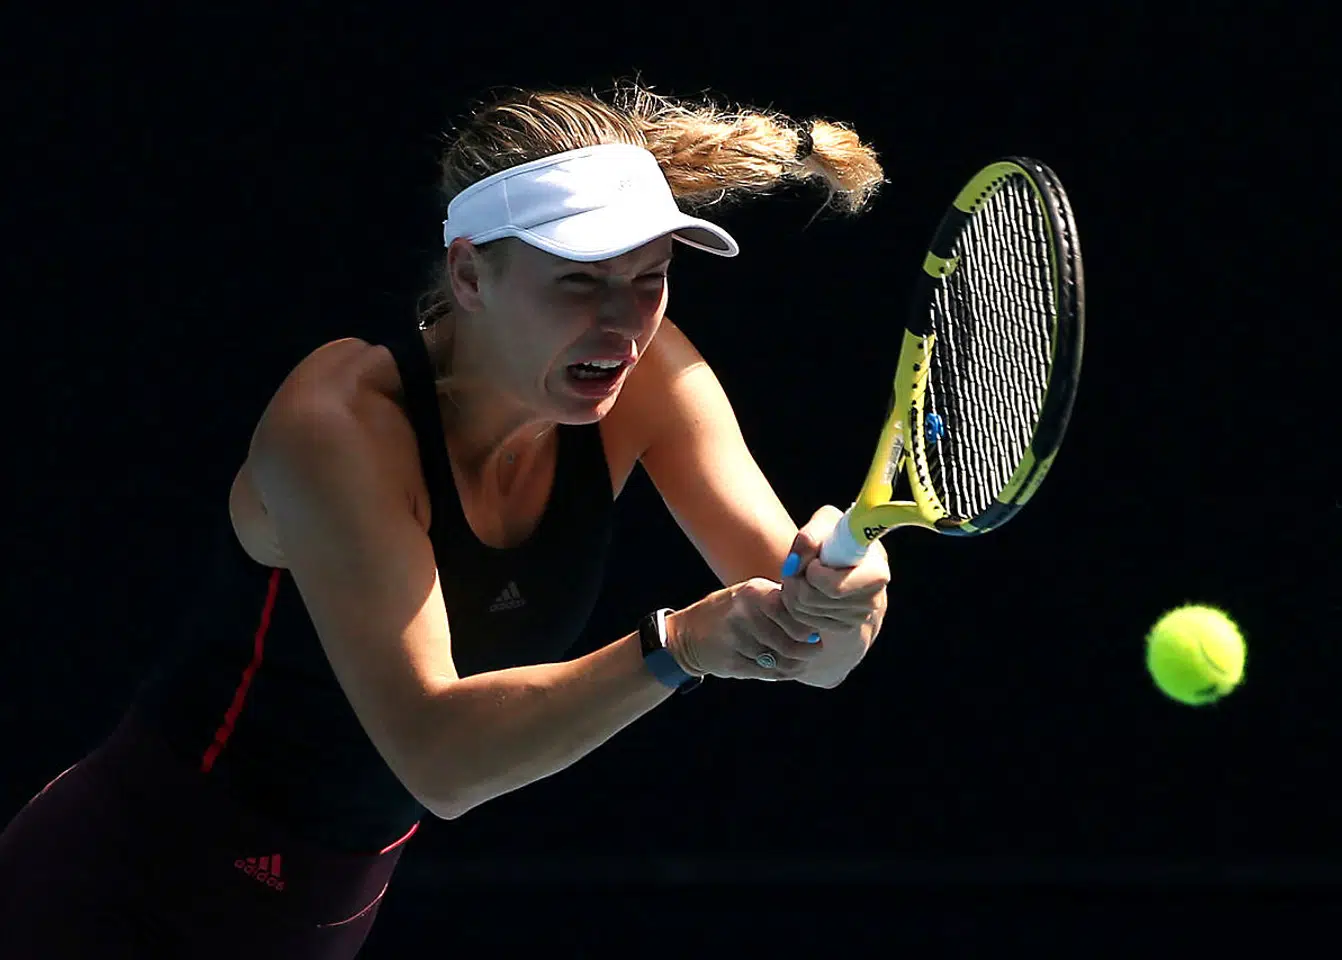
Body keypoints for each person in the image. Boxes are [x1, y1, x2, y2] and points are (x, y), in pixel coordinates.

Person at [0, 81, 892, 958]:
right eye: (579, 281)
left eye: (650, 278)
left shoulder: (649, 374)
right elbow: (440, 761)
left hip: (319, 920)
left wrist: (843, 601)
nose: (623, 322)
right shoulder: (340, 422)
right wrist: (676, 646)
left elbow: (818, 658)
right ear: (469, 273)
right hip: (111, 897)